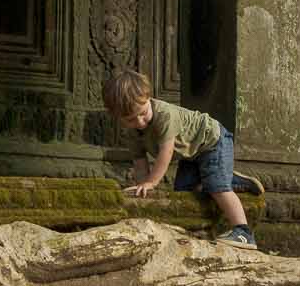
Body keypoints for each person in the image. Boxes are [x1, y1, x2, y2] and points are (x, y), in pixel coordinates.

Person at [109, 68, 256, 247]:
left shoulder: (164, 115)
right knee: (183, 191)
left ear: (148, 98)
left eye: (143, 113)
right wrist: (142, 188)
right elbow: (140, 162)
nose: (139, 122)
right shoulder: (132, 134)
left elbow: (166, 152)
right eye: (130, 119)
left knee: (217, 187)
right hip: (191, 155)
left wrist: (152, 182)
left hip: (211, 141)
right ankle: (229, 179)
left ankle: (243, 232)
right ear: (118, 118)